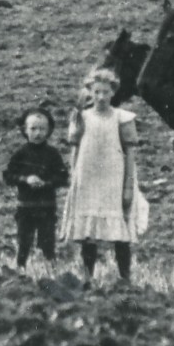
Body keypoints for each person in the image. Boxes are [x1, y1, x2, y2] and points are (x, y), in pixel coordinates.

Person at [58, 66, 140, 285]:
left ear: (113, 92)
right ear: (90, 93)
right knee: (88, 233)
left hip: (113, 179)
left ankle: (126, 279)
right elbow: (75, 148)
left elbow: (130, 153)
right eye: (96, 92)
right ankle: (87, 278)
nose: (101, 97)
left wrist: (128, 186)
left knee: (120, 232)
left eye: (105, 92)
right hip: (88, 179)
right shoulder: (82, 117)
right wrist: (74, 178)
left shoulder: (122, 118)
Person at [2, 110, 71, 268]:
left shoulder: (53, 154)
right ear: (25, 130)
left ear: (49, 131)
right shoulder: (20, 154)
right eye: (33, 129)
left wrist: (46, 183)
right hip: (25, 206)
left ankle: (50, 270)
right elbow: (8, 176)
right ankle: (20, 270)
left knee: (48, 242)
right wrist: (25, 179)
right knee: (24, 241)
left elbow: (62, 177)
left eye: (42, 129)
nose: (38, 133)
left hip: (47, 206)